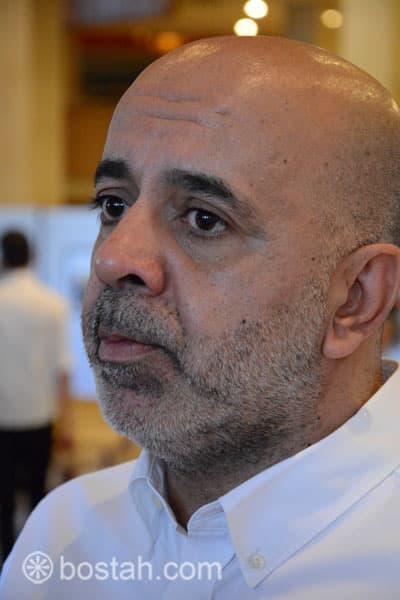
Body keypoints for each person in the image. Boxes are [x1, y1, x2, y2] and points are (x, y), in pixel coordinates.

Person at [1, 35, 400, 598]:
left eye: (204, 219)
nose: (112, 258)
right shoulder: (63, 537)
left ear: (355, 299)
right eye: (114, 205)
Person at [0, 231, 72, 563]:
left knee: (3, 498)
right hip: (40, 415)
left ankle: (7, 564)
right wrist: (67, 423)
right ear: (32, 256)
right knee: (38, 494)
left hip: (3, 417)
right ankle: (35, 565)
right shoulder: (52, 304)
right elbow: (62, 368)